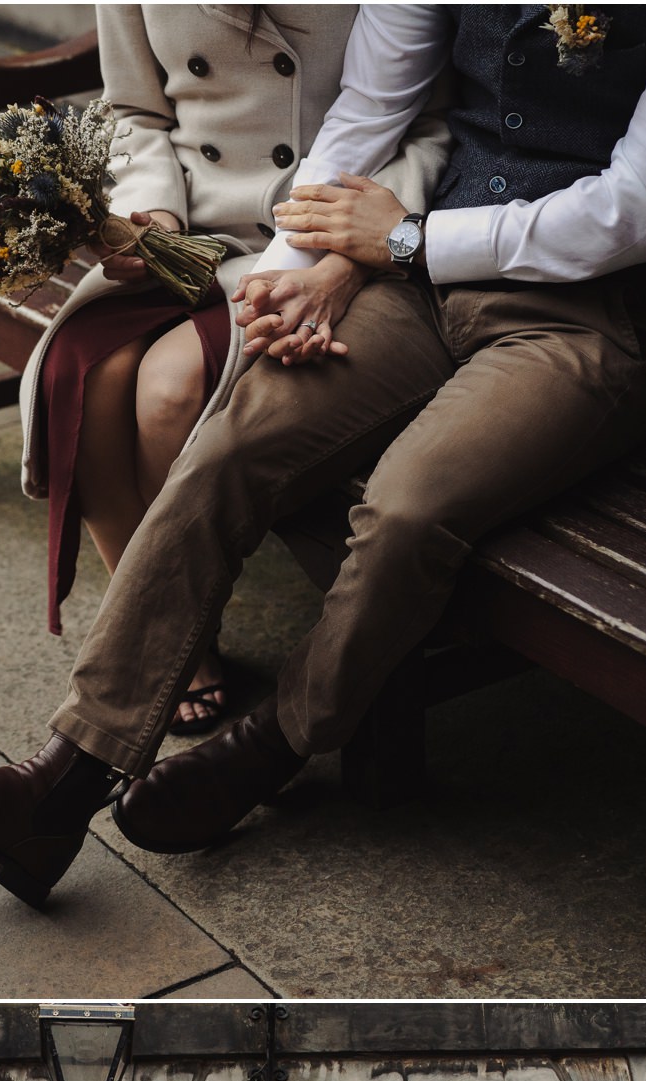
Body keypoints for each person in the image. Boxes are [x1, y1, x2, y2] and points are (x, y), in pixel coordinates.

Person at [0, 5, 646, 913]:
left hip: (581, 320)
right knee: (234, 440)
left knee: (408, 507)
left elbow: (640, 209)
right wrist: (294, 269)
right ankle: (61, 780)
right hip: (419, 289)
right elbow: (371, 110)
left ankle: (272, 745)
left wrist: (409, 242)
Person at [22, 4, 450, 732]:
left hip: (320, 239)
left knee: (169, 390)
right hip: (183, 224)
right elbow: (132, 109)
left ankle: (165, 632)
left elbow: (431, 123)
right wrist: (149, 216)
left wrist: (348, 256)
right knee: (82, 377)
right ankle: (162, 634)